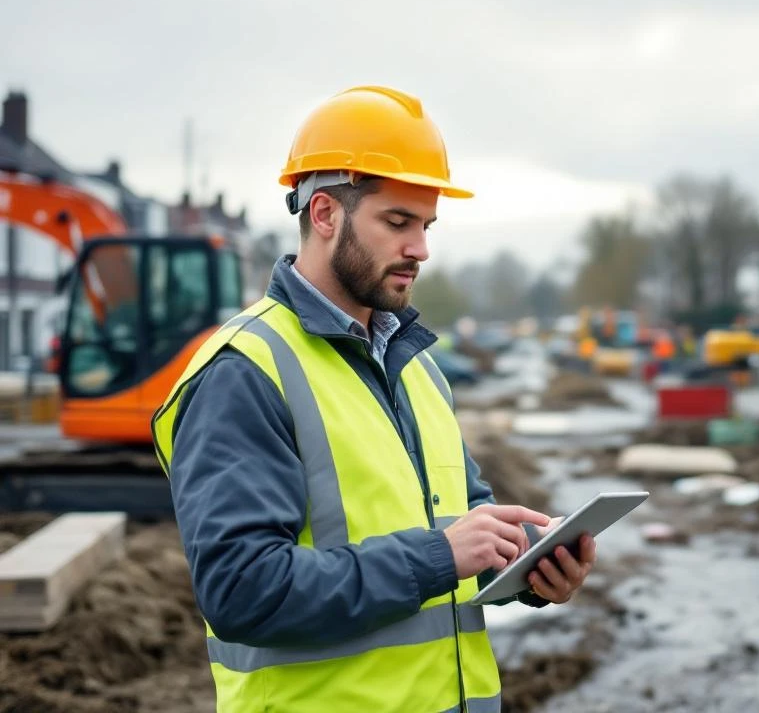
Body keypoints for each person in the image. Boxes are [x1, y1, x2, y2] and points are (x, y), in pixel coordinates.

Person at [152, 85, 597, 712]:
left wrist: (530, 569)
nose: (421, 249)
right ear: (326, 214)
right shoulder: (245, 372)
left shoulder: (416, 367)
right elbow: (242, 591)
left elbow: (466, 525)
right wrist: (439, 555)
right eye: (398, 222)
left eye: (427, 225)